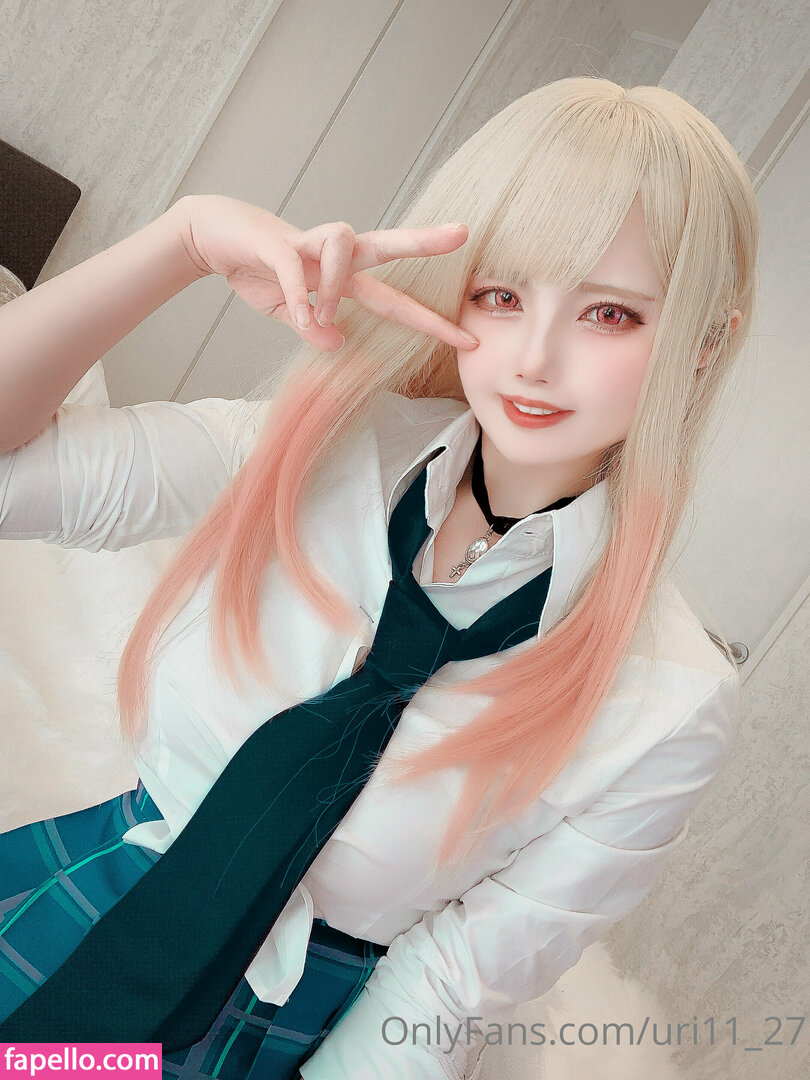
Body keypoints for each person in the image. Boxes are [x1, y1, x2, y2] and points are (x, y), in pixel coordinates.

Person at [0, 75, 756, 1080]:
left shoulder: (670, 699)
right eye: (501, 294)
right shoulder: (319, 443)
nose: (534, 358)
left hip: (257, 1033)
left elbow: (443, 990)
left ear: (703, 344)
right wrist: (182, 242)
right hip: (74, 898)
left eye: (609, 314)